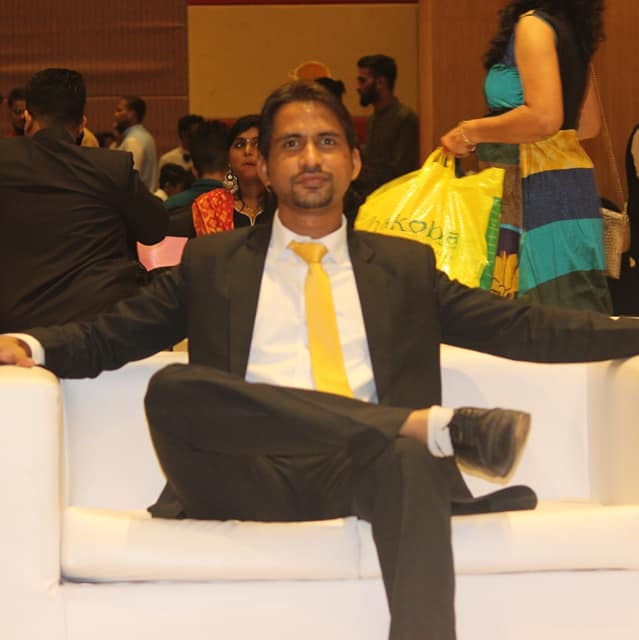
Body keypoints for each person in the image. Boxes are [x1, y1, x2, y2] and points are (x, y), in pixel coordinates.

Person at [4, 80, 639, 640]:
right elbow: (110, 335)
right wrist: (29, 345)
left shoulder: (404, 268)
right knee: (173, 389)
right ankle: (420, 426)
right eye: (291, 144)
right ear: (265, 165)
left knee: (411, 460)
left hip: (368, 472)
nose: (310, 157)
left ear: (354, 162)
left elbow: (523, 327)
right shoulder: (214, 263)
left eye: (327, 142)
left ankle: (412, 442)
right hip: (242, 474)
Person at [441, 0, 611, 313]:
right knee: (572, 310)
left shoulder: (534, 25)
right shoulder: (571, 29)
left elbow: (544, 119)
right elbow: (587, 126)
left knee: (532, 315)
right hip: (569, 184)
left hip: (532, 191)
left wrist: (469, 132)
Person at [0, 68, 168, 333]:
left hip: (14, 323)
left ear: (28, 119)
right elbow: (154, 230)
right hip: (100, 324)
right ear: (82, 124)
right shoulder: (111, 167)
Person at [192, 114, 275, 235]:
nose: (247, 151)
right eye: (239, 145)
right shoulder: (210, 206)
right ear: (228, 158)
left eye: (257, 144)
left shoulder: (286, 205)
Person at [353, 54, 419, 197]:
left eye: (362, 80)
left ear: (380, 83)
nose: (358, 87)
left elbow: (402, 173)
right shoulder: (373, 119)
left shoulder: (405, 118)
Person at [114, 95, 158, 191]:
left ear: (132, 114)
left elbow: (129, 179)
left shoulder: (133, 140)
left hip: (137, 199)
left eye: (119, 110)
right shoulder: (146, 136)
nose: (115, 115)